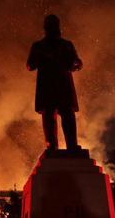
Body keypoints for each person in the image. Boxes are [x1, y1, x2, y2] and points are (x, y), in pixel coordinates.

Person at [27, 14, 83, 151]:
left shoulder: (67, 45)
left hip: (63, 85)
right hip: (47, 86)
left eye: (54, 24)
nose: (53, 28)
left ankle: (72, 145)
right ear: (46, 27)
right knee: (49, 116)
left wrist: (75, 64)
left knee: (68, 115)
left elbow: (78, 62)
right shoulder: (38, 46)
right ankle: (52, 146)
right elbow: (30, 65)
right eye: (50, 25)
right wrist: (43, 58)